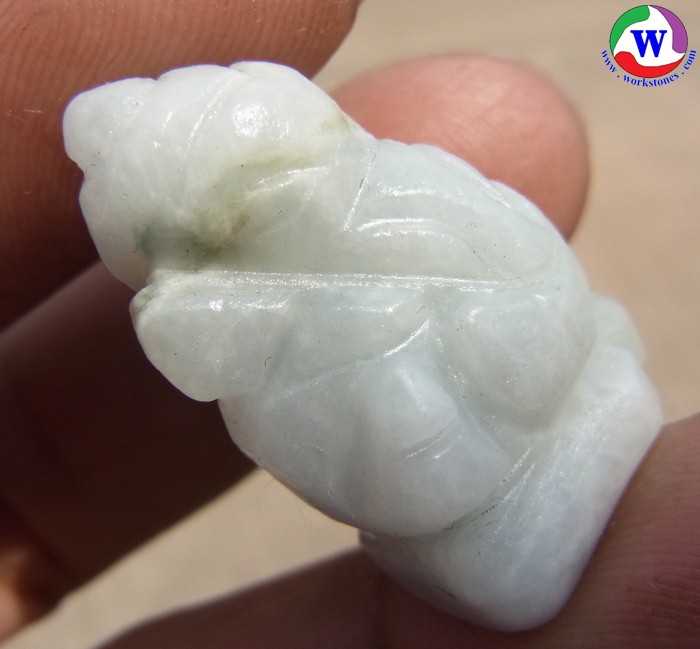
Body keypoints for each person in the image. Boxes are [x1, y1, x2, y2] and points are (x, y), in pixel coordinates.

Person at [0, 2, 697, 647]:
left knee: (500, 440)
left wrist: (436, 322)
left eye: (282, 191)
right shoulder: (228, 315)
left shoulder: (406, 189)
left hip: (530, 378)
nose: (304, 206)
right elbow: (346, 453)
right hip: (439, 486)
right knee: (450, 497)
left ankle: (558, 460)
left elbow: (534, 282)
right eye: (238, 227)